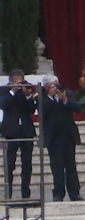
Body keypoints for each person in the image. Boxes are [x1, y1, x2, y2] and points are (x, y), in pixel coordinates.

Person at [42, 74, 83, 201]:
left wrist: (64, 100)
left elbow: (77, 108)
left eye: (56, 84)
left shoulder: (67, 94)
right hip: (53, 139)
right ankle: (58, 193)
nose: (55, 88)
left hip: (68, 136)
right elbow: (42, 112)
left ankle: (74, 193)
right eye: (52, 85)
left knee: (71, 166)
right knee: (57, 167)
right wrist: (50, 96)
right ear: (46, 87)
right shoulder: (43, 98)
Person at [0, 69, 36, 198]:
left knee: (27, 164)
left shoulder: (24, 91)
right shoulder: (4, 91)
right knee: (10, 164)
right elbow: (3, 104)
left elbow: (32, 110)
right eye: (17, 82)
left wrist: (27, 96)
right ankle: (8, 193)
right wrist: (13, 91)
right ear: (11, 81)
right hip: (11, 131)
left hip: (26, 131)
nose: (20, 84)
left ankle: (25, 194)